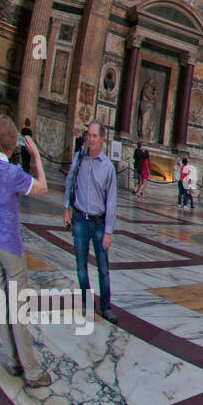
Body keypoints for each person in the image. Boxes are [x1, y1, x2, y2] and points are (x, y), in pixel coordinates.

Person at [0, 116, 53, 387]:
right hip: (10, 246)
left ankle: (13, 361)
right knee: (17, 309)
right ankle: (32, 371)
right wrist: (36, 156)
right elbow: (43, 186)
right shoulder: (13, 173)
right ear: (13, 144)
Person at [64, 121, 118, 322]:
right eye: (89, 135)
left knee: (103, 268)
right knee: (80, 265)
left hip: (98, 223)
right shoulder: (79, 158)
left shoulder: (108, 168)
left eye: (95, 136)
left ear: (102, 139)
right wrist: (65, 210)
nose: (91, 139)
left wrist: (108, 231)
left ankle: (105, 306)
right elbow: (69, 182)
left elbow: (111, 201)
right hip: (79, 218)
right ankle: (87, 302)